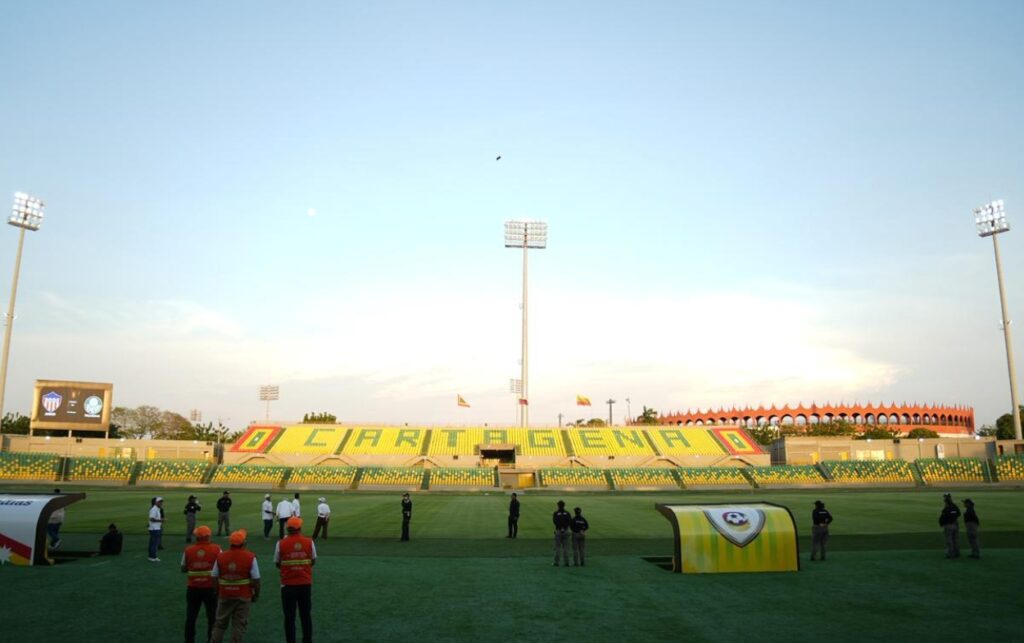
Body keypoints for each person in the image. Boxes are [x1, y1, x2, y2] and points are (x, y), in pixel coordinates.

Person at [210, 529, 261, 643]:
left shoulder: (221, 556)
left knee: (220, 624)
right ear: (244, 543)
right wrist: (256, 594)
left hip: (224, 595)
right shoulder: (250, 557)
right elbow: (256, 579)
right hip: (243, 596)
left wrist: (217, 592)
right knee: (239, 625)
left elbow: (214, 577)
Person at [275, 517, 317, 643]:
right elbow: (313, 560)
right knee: (306, 616)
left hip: (288, 585)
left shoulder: (280, 543)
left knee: (289, 617)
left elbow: (277, 563)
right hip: (305, 584)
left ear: (288, 528)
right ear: (299, 528)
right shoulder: (309, 542)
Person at [181, 525, 222, 643]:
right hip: (210, 588)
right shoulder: (216, 549)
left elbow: (183, 568)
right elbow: (222, 565)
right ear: (208, 536)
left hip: (193, 588)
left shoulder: (188, 550)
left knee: (191, 617)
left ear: (197, 537)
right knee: (212, 617)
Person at [938, 493, 961, 559]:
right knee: (955, 539)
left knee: (949, 540)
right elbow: (959, 513)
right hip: (955, 524)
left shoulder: (946, 508)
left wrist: (942, 523)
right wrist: (954, 518)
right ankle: (957, 552)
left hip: (948, 525)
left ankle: (951, 553)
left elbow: (943, 517)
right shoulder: (954, 506)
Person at [552, 500, 572, 567]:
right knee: (566, 547)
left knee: (557, 547)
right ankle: (567, 562)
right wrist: (564, 527)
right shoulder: (567, 513)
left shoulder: (556, 513)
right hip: (566, 531)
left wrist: (560, 527)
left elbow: (555, 521)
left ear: (558, 505)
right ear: (564, 505)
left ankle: (556, 562)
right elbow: (569, 521)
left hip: (558, 531)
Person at [148, 497, 165, 562]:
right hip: (154, 528)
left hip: (155, 528)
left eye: (161, 502)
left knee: (152, 543)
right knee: (154, 543)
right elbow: (151, 519)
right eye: (159, 502)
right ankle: (153, 557)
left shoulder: (157, 509)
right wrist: (161, 520)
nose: (161, 503)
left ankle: (151, 556)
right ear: (156, 502)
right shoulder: (154, 509)